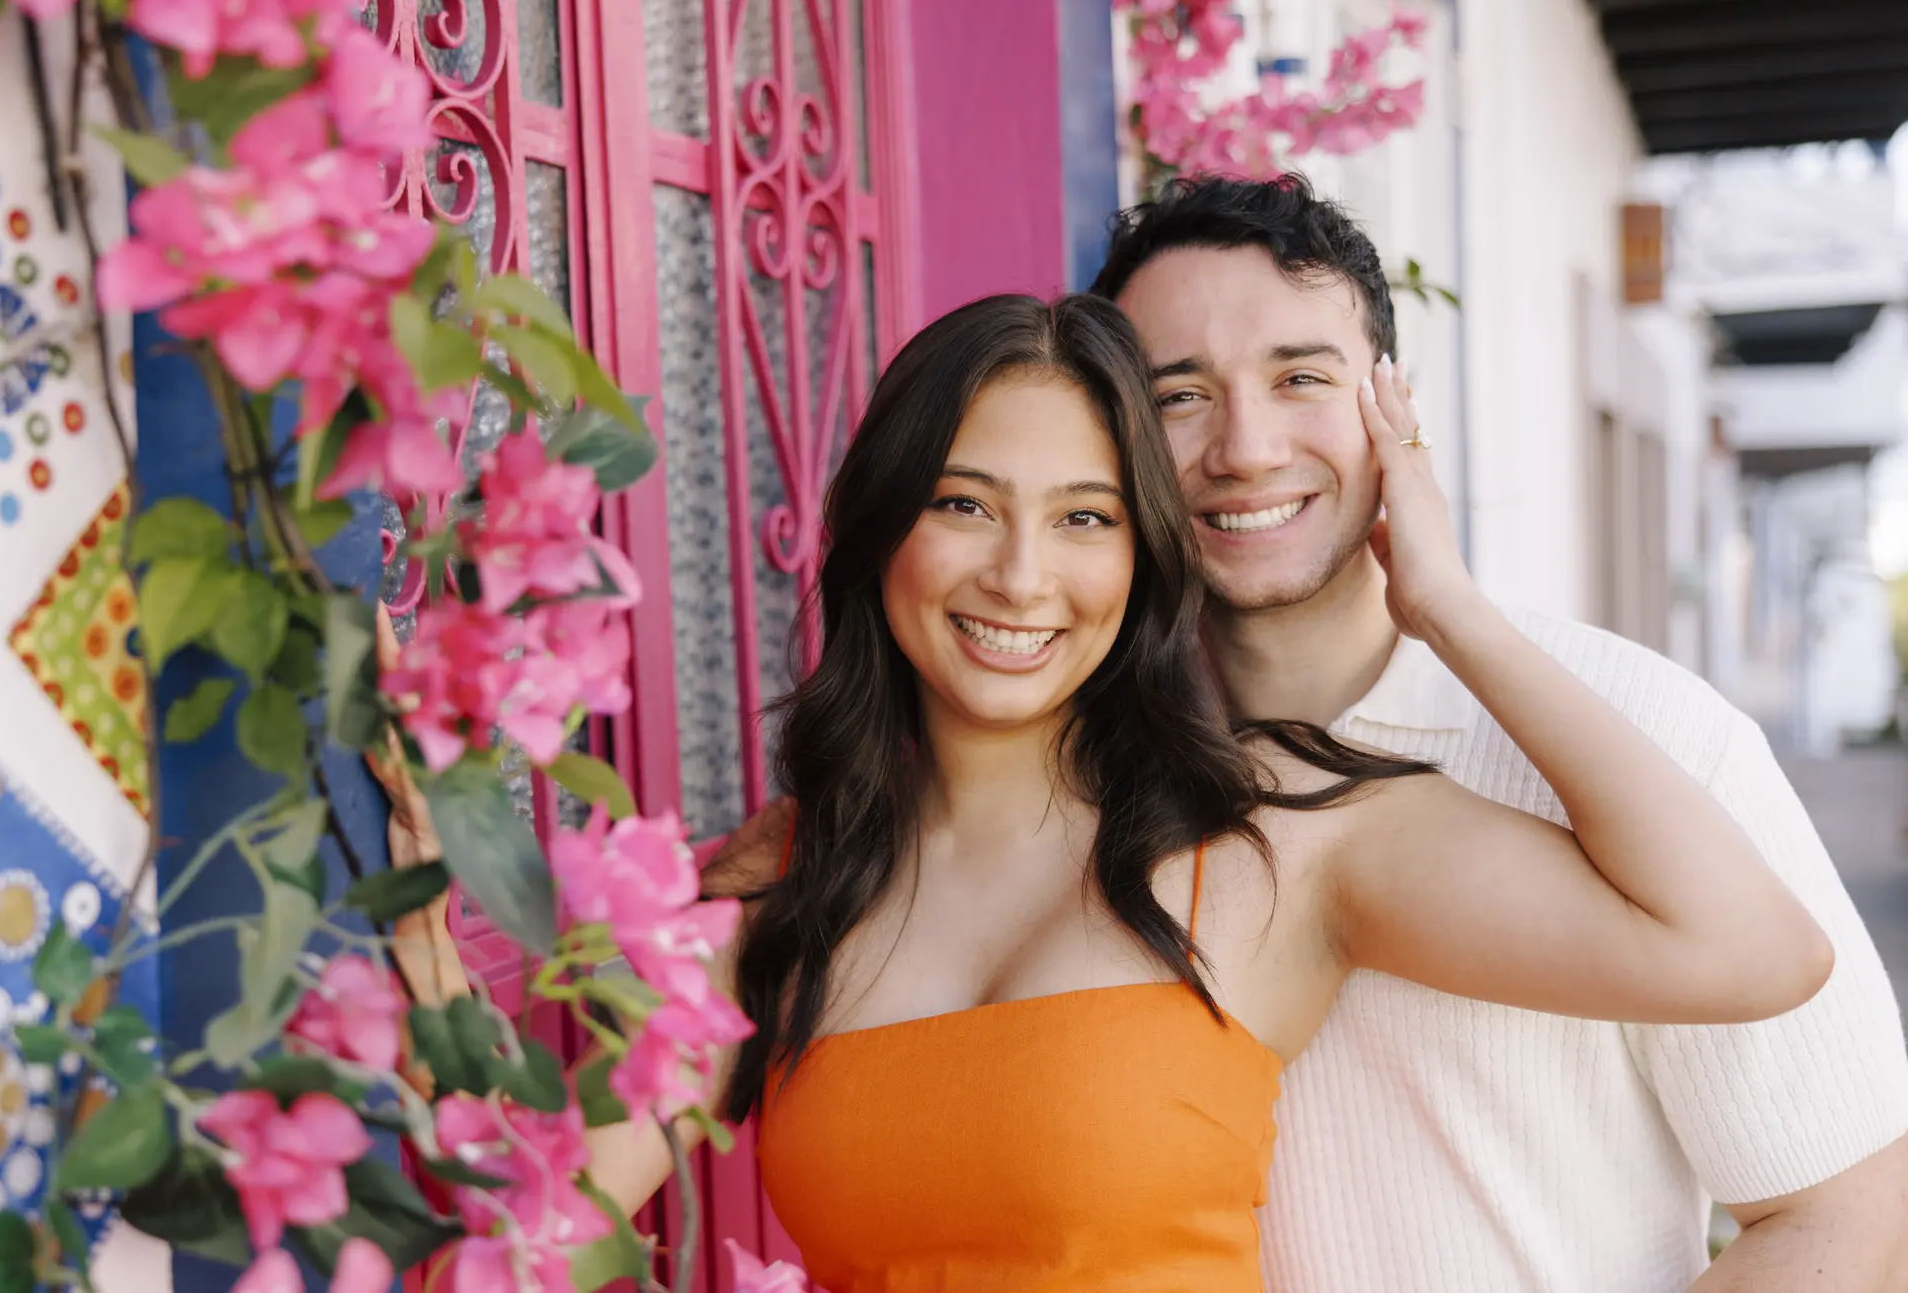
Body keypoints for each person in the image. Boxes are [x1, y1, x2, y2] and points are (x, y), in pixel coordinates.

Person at [381, 290, 1832, 1292]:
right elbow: (532, 1240)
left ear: (1142, 561)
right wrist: (433, 935)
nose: (1022, 576)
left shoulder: (1273, 846)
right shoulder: (785, 904)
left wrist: (1449, 607)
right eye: (964, 503)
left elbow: (1747, 948)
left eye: (1084, 519)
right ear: (879, 528)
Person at [1089, 172, 1908, 1293]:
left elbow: (1846, 1208)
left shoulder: (1650, 738)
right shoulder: (1078, 773)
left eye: (1300, 378)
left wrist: (1452, 614)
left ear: (1394, 405)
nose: (1243, 445)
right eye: (1177, 395)